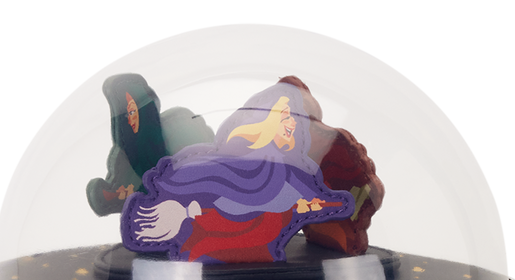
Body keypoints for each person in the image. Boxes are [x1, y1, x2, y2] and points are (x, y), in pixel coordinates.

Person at [120, 82, 354, 263]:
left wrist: (328, 204)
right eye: (285, 116)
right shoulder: (221, 167)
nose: (293, 123)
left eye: (293, 117)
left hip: (262, 265)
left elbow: (322, 202)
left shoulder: (293, 172)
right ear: (268, 119)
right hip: (212, 256)